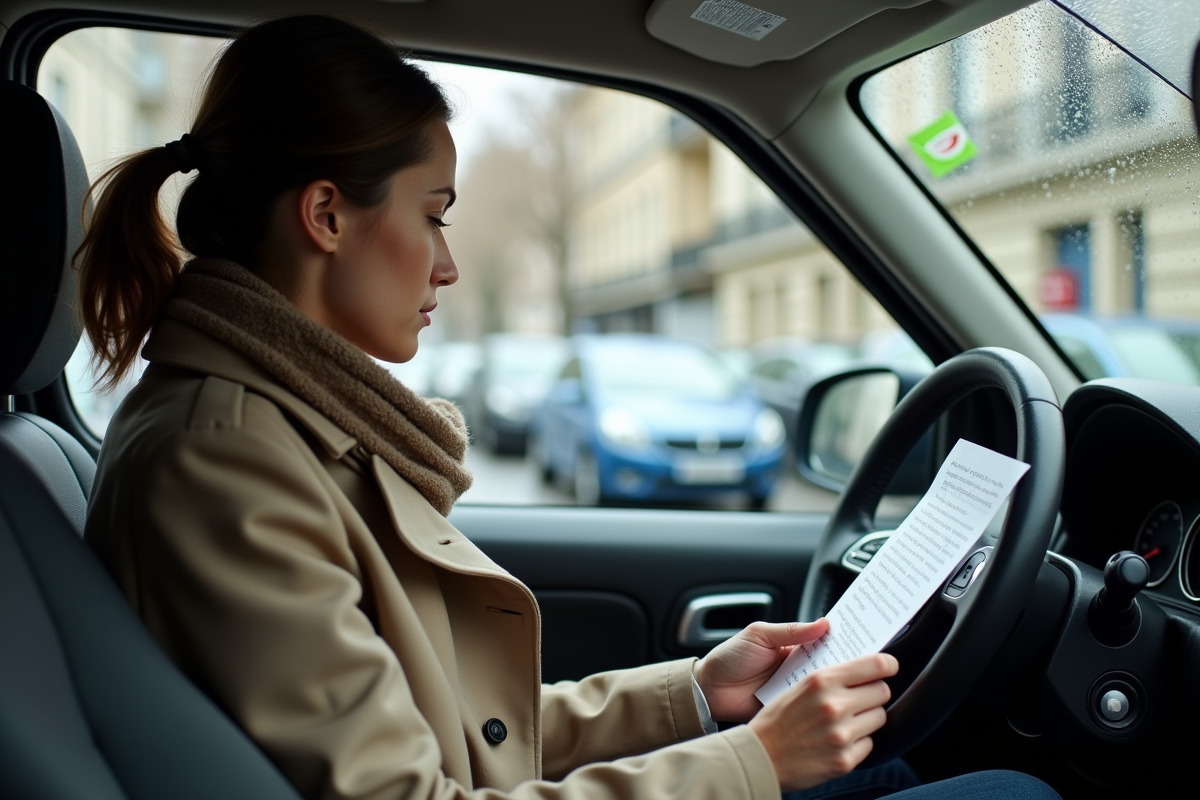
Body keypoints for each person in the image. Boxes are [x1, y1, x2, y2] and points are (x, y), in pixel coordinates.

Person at [79, 15, 1060, 800]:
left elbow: (467, 733)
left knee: (897, 770)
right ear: (327, 214)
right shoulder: (226, 461)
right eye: (433, 215)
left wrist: (696, 694)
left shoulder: (273, 429)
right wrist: (755, 761)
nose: (448, 263)